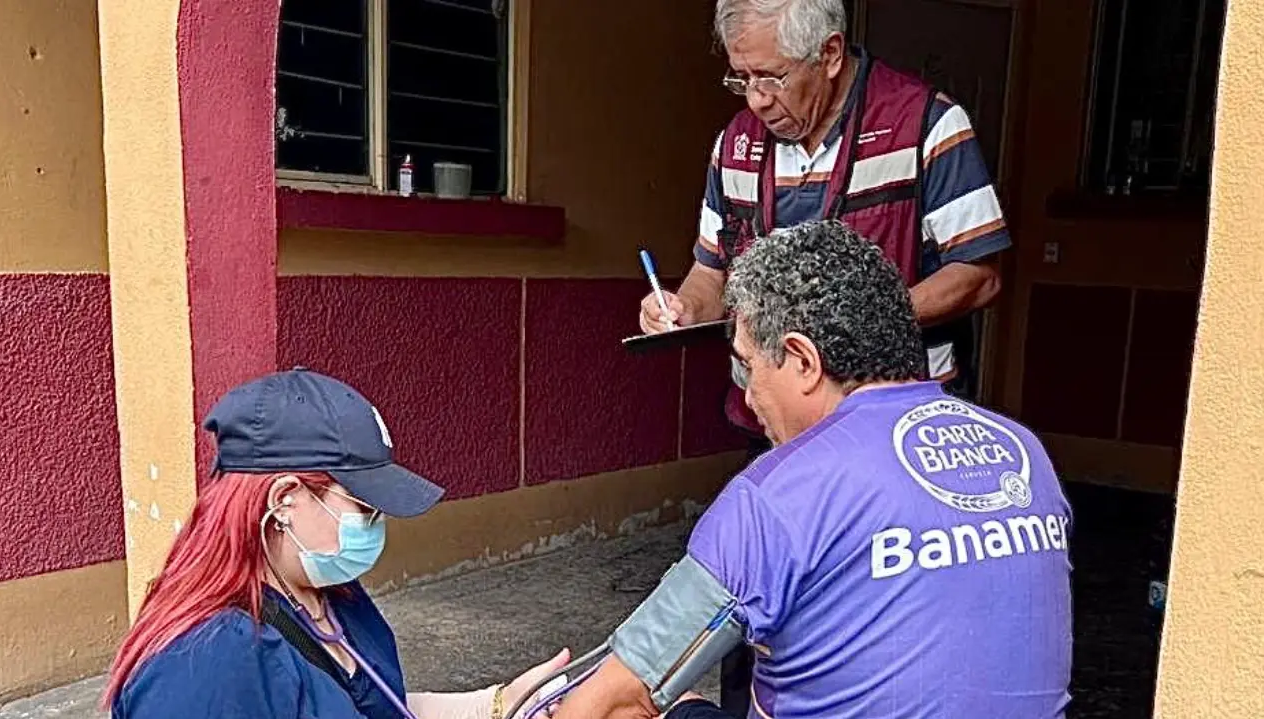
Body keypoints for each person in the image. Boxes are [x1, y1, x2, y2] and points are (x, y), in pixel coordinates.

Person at [639, 2, 1011, 710]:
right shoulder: (736, 146)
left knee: (872, 615)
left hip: (896, 446)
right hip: (773, 430)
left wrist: (851, 323)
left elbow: (979, 272)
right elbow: (710, 272)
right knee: (760, 612)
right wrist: (680, 306)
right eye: (740, 78)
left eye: (771, 78)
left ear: (831, 53)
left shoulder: (926, 124)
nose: (755, 100)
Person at [555, 220, 1072, 719]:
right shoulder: (1021, 450)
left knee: (652, 704)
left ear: (802, 359)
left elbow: (606, 705)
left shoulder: (779, 492)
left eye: (747, 365)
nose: (748, 396)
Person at [103, 368, 568, 718]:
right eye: (364, 506)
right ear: (285, 500)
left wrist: (501, 704)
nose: (376, 523)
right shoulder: (204, 666)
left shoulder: (326, 592)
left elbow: (378, 707)